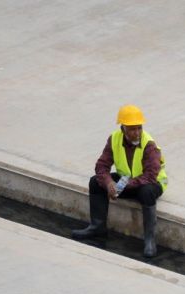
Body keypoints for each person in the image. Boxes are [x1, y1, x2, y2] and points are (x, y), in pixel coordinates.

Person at [71, 104, 168, 258]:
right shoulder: (114, 139)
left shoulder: (149, 145)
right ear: (123, 128)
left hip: (150, 183)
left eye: (139, 128)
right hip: (127, 181)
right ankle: (97, 227)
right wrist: (109, 184)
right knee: (96, 182)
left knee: (147, 191)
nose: (136, 133)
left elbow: (150, 175)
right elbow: (102, 166)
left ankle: (149, 240)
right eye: (132, 129)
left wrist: (124, 186)